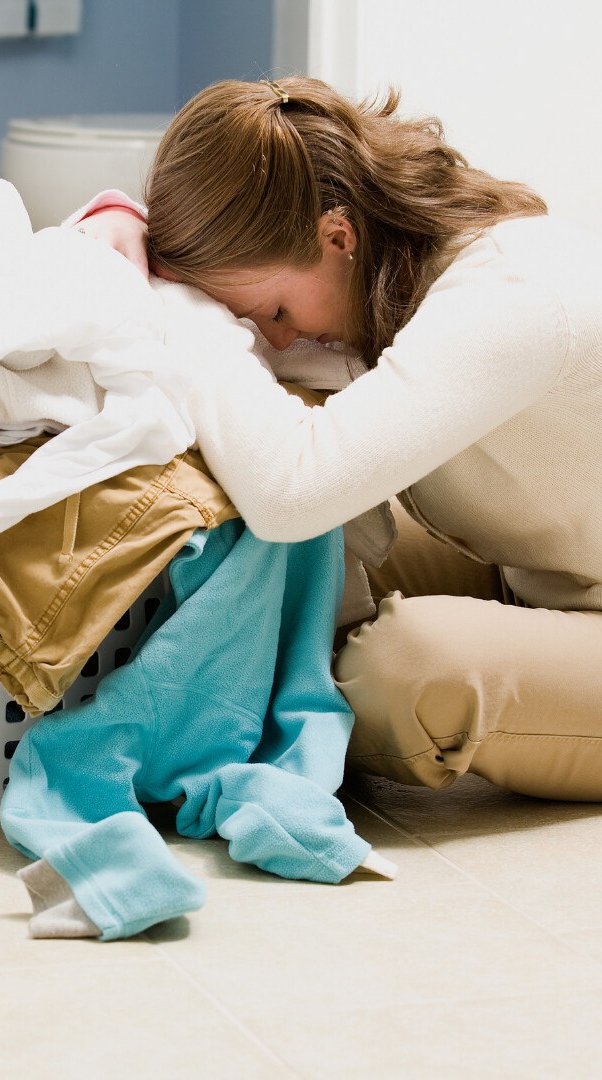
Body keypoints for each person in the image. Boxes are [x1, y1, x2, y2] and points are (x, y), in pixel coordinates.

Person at [71, 76, 602, 802]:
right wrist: (120, 222)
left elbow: (294, 490)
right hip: (540, 574)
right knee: (243, 577)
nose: (277, 337)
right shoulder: (381, 280)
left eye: (277, 309)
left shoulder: (515, 295)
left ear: (338, 236)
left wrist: (180, 310)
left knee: (402, 668)